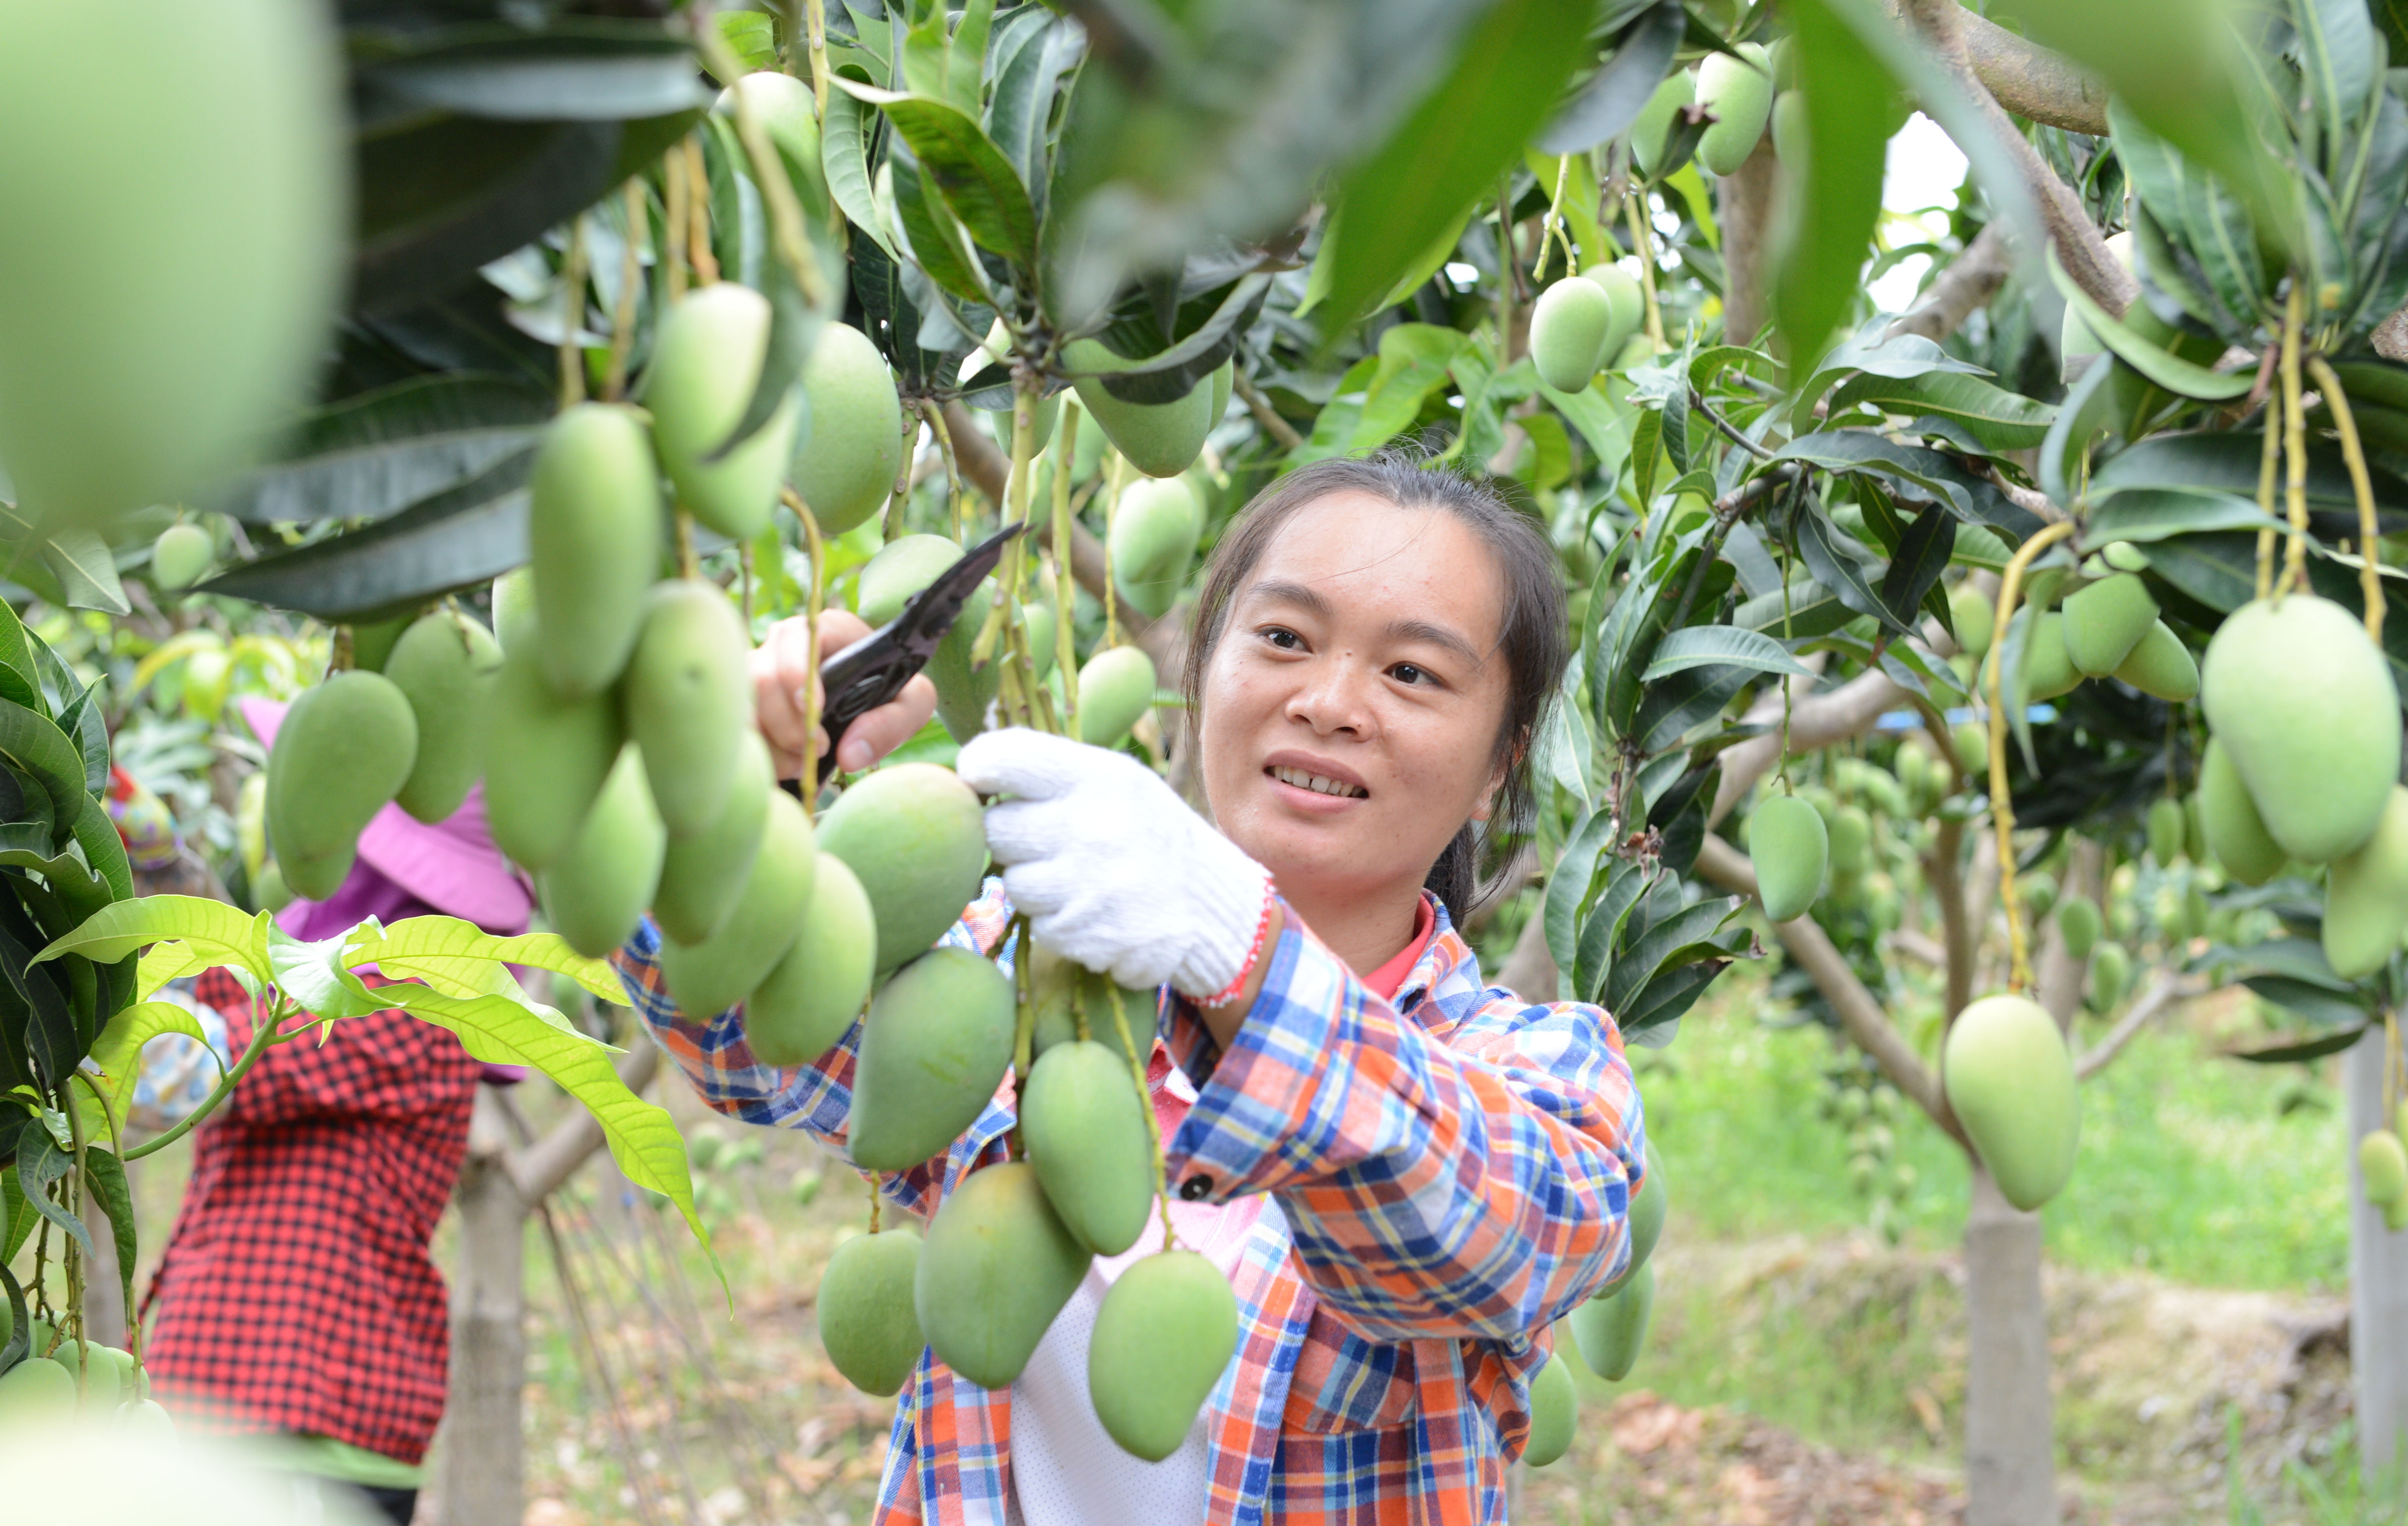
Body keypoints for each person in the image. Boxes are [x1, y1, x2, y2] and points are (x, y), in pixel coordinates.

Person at [618, 456, 1647, 1524]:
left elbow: (1509, 1239)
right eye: (1284, 637)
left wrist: (1239, 948)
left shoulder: (1542, 1070)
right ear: (1204, 672)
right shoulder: (1004, 986)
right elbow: (742, 1033)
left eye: (1412, 673)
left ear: (1500, 762)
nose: (1329, 702)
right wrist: (731, 799)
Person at [128, 697, 536, 1525]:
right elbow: (223, 998)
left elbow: (178, 1072)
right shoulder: (334, 987)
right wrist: (167, 872)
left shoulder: (411, 1003)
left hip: (298, 1413)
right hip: (244, 1399)